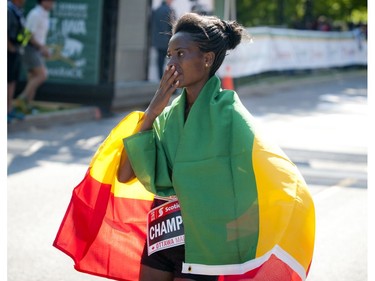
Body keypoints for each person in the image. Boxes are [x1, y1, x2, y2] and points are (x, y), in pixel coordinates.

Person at [117, 12, 315, 281]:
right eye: (169, 55)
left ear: (207, 59)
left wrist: (230, 228)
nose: (171, 64)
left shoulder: (230, 115)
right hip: (163, 235)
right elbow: (125, 174)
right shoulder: (166, 116)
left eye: (181, 54)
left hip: (205, 248)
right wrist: (152, 111)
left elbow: (263, 173)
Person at [16, 0, 54, 114]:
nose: (52, 4)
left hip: (36, 49)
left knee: (33, 77)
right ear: (43, 2)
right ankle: (21, 99)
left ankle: (26, 106)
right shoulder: (35, 14)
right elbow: (28, 35)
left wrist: (42, 48)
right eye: (50, 1)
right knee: (42, 75)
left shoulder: (45, 14)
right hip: (29, 48)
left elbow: (39, 35)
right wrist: (42, 48)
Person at [7, 0, 28, 123]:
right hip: (9, 51)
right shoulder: (7, 10)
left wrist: (20, 46)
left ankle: (9, 110)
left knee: (12, 81)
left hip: (15, 51)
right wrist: (10, 47)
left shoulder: (18, 10)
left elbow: (23, 31)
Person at [151, 0, 176, 80]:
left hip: (158, 40)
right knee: (172, 62)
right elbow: (173, 27)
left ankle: (161, 80)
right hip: (168, 41)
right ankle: (172, 82)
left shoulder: (156, 10)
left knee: (160, 62)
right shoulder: (170, 10)